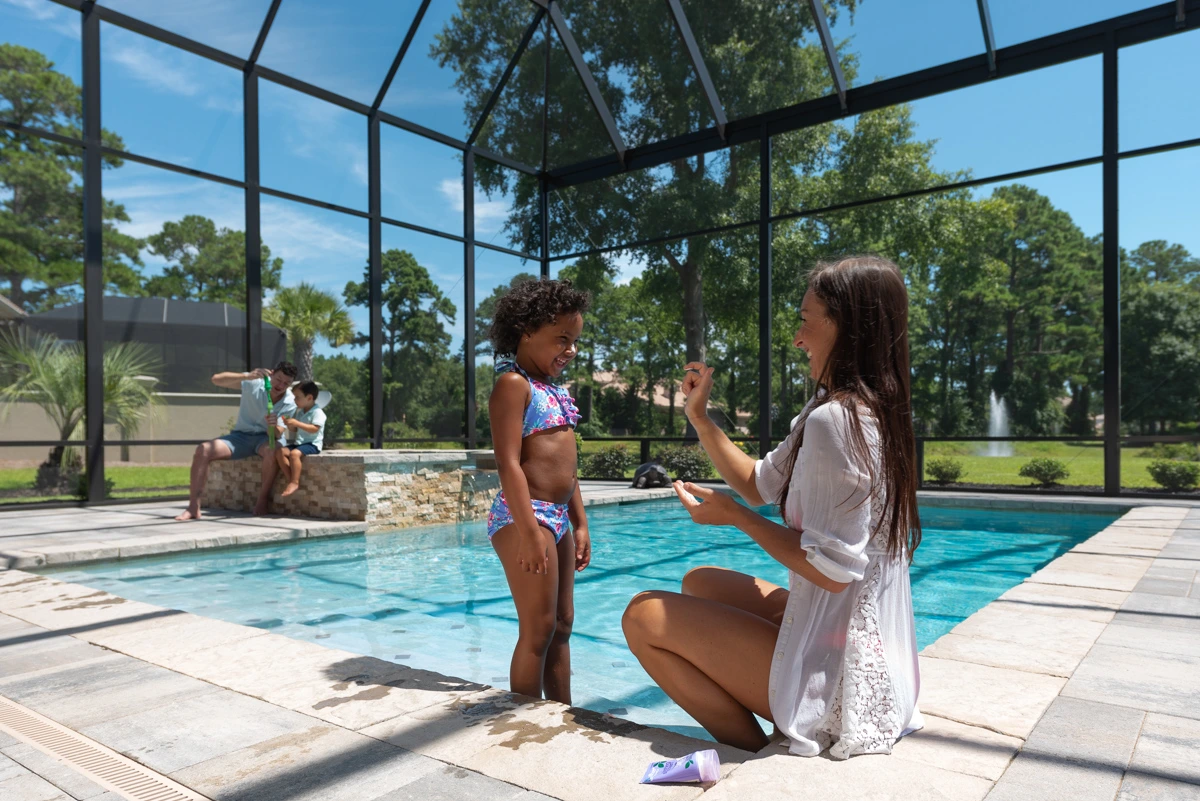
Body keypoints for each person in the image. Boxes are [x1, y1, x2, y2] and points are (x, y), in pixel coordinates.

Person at [622, 255, 924, 758]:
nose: (797, 338)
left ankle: (756, 752)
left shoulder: (837, 421)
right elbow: (758, 483)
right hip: (866, 642)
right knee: (699, 580)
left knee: (643, 616)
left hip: (844, 683)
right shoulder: (862, 409)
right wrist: (700, 419)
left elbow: (831, 572)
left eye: (806, 321)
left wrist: (737, 518)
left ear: (849, 327)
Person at [486, 278, 593, 704]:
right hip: (523, 514)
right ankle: (525, 720)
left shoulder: (555, 389)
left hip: (558, 516)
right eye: (562, 339)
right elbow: (507, 463)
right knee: (538, 628)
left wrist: (580, 520)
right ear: (527, 330)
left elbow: (567, 467)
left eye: (576, 341)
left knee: (563, 623)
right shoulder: (514, 385)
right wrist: (530, 532)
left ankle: (561, 714)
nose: (571, 350)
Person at [175, 362, 298, 521]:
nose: (281, 385)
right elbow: (216, 380)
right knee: (203, 450)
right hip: (240, 437)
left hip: (266, 438)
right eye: (278, 379)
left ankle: (262, 500)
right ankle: (193, 507)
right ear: (272, 374)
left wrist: (272, 425)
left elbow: (276, 434)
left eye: (286, 383)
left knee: (272, 452)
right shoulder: (254, 382)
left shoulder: (290, 402)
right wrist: (246, 376)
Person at [277, 381, 327, 498]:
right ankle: (291, 478)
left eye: (297, 397)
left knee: (294, 454)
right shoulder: (301, 412)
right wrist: (290, 425)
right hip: (300, 443)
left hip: (312, 444)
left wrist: (297, 423)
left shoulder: (318, 412)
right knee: (280, 451)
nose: (295, 400)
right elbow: (295, 430)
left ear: (309, 397)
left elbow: (314, 429)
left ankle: (295, 482)